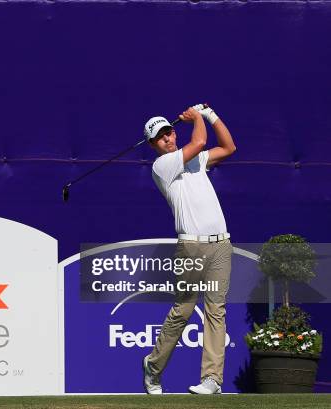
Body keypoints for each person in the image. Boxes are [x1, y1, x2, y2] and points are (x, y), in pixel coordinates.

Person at [142, 104, 236, 395]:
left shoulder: (198, 161)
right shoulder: (163, 166)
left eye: (169, 133)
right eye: (161, 137)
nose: (168, 139)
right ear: (153, 145)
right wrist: (196, 117)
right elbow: (199, 141)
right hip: (190, 247)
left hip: (221, 243)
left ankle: (212, 379)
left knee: (216, 311)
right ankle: (153, 368)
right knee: (183, 310)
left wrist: (210, 116)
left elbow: (229, 147)